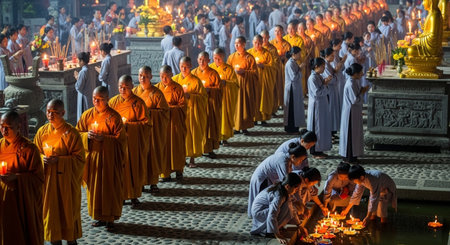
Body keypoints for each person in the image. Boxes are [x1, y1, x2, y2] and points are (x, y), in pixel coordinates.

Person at [34, 99, 85, 245]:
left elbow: (80, 159)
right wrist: (42, 158)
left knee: (68, 213)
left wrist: (60, 161)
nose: (50, 115)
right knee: (51, 215)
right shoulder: (42, 132)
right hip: (48, 182)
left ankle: (71, 240)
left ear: (63, 113)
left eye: (55, 112)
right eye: (48, 112)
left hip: (66, 183)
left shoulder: (71, 133)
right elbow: (35, 153)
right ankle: (54, 240)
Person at [76, 86, 126, 231]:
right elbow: (77, 133)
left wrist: (104, 138)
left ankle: (110, 218)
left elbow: (121, 140)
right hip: (93, 160)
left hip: (109, 159)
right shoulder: (87, 115)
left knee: (109, 188)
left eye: (99, 99)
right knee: (94, 189)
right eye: (94, 98)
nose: (96, 102)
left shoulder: (114, 117)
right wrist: (87, 136)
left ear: (107, 99)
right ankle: (98, 216)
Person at [0, 111, 44, 245]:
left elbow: (38, 179)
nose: (4, 130)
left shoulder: (29, 149)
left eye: (9, 127)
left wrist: (17, 178)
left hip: (21, 203)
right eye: (2, 126)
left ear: (18, 127)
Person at [109, 75, 149, 207]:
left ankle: (134, 195)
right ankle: (121, 195)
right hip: (118, 143)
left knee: (133, 169)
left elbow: (146, 123)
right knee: (120, 170)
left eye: (126, 87)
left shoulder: (138, 103)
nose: (123, 89)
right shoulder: (113, 102)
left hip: (133, 143)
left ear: (132, 86)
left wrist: (130, 126)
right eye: (120, 87)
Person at [133, 66, 169, 191]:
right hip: (139, 132)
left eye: (146, 76)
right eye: (141, 75)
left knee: (152, 156)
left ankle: (153, 182)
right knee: (140, 156)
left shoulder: (157, 93)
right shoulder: (134, 92)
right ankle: (141, 181)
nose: (143, 78)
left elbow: (164, 112)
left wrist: (149, 113)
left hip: (153, 131)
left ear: (151, 77)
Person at [248, 142, 307, 217]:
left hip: (270, 179)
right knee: (265, 203)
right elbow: (286, 183)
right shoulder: (283, 161)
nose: (300, 163)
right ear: (293, 157)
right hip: (263, 180)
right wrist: (296, 202)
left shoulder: (288, 160)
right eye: (300, 160)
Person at [250, 173, 306, 243]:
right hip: (259, 212)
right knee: (287, 208)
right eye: (296, 188)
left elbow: (293, 210)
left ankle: (275, 227)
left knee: (291, 207)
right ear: (288, 186)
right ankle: (269, 231)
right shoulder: (279, 195)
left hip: (265, 210)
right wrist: (277, 234)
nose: (296, 190)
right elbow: (272, 214)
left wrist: (299, 225)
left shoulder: (284, 190)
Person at [173, 56, 207, 168]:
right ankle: (182, 158)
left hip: (192, 113)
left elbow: (203, 97)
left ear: (191, 66)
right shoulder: (175, 80)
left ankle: (192, 158)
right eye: (182, 66)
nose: (184, 69)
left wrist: (190, 96)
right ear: (179, 66)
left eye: (186, 67)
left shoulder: (195, 81)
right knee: (180, 136)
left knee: (191, 136)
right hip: (179, 113)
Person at [155, 65, 187, 181]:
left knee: (176, 147)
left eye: (166, 76)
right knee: (163, 148)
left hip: (175, 124)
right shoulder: (157, 89)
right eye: (162, 77)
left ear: (171, 75)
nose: (164, 79)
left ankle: (179, 170)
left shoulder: (177, 88)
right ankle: (165, 173)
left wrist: (170, 109)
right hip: (162, 125)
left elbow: (183, 106)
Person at [192, 52, 222, 158]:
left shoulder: (213, 73)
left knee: (209, 127)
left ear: (209, 60)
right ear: (197, 60)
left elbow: (219, 90)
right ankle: (197, 149)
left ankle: (209, 149)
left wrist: (210, 90)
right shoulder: (194, 73)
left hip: (210, 105)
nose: (202, 62)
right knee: (198, 127)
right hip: (198, 106)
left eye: (204, 60)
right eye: (200, 59)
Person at [227, 36, 258, 135]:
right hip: (235, 86)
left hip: (245, 87)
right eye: (235, 44)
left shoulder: (249, 58)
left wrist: (244, 72)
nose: (236, 46)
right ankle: (236, 126)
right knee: (235, 107)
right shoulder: (231, 57)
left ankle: (244, 126)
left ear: (244, 45)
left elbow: (254, 73)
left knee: (245, 106)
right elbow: (227, 71)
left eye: (238, 43)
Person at [339, 63, 369, 163]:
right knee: (350, 134)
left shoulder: (355, 81)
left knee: (355, 133)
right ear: (355, 73)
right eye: (360, 72)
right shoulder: (351, 83)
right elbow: (355, 99)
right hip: (350, 113)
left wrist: (361, 90)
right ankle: (349, 156)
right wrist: (363, 92)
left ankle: (354, 154)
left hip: (354, 111)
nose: (362, 74)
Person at [210, 48, 239, 146]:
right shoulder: (210, 69)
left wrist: (225, 82)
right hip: (213, 98)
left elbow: (235, 84)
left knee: (224, 118)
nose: (217, 60)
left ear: (223, 57)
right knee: (215, 117)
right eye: (215, 58)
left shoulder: (229, 69)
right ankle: (215, 137)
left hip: (225, 98)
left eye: (219, 58)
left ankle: (224, 138)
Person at [307, 57, 332, 159]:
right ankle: (315, 151)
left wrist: (325, 82)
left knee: (321, 128)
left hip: (322, 105)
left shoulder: (318, 76)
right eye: (322, 66)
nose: (324, 68)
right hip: (316, 106)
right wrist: (325, 84)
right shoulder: (312, 78)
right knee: (316, 128)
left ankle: (320, 149)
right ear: (316, 66)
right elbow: (317, 92)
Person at [248, 35, 274, 125]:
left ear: (262, 43)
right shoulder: (249, 53)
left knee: (262, 98)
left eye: (259, 43)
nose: (257, 45)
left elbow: (272, 67)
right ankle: (254, 118)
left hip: (263, 80)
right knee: (254, 98)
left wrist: (264, 66)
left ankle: (263, 118)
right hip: (253, 80)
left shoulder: (267, 53)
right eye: (255, 43)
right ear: (252, 42)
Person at [283, 46, 305, 134]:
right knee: (291, 110)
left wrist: (299, 68)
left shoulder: (294, 62)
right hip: (291, 89)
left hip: (295, 88)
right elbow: (294, 77)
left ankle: (294, 127)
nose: (300, 55)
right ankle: (291, 128)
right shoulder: (290, 63)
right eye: (298, 54)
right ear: (293, 54)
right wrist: (300, 70)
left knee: (295, 108)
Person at [321, 48, 341, 138]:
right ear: (326, 56)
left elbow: (333, 74)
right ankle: (329, 132)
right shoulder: (324, 66)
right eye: (331, 56)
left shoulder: (328, 64)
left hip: (333, 90)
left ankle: (332, 131)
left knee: (333, 111)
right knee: (330, 111)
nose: (333, 58)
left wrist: (335, 72)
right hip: (329, 90)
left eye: (334, 56)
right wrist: (336, 75)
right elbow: (331, 79)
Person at [74, 52, 95, 121]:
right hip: (90, 95)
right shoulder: (90, 69)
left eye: (79, 61)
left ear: (82, 61)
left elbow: (79, 87)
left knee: (84, 116)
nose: (78, 62)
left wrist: (77, 78)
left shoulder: (83, 71)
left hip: (84, 96)